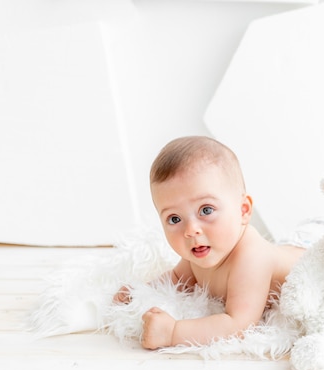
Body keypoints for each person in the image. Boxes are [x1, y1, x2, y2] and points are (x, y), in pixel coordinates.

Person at [113, 135, 306, 350]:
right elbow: (177, 279)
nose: (191, 230)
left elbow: (239, 325)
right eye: (174, 219)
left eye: (206, 210)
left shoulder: (251, 257)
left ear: (243, 210)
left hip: (306, 254)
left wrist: (174, 332)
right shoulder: (199, 250)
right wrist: (141, 291)